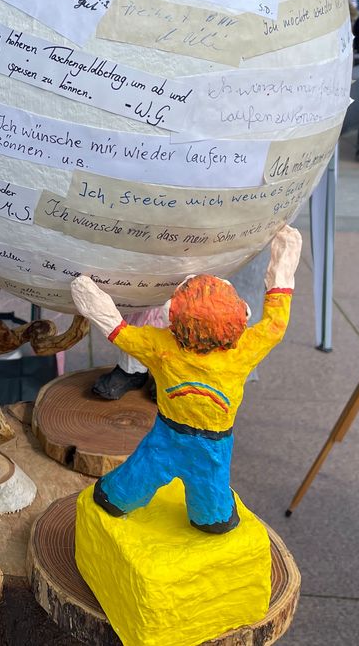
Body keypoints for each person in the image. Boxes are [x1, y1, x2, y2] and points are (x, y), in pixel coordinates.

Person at [71, 225, 302, 533]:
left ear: (175, 316)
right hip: (213, 444)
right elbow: (276, 325)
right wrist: (282, 267)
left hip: (166, 435)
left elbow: (121, 334)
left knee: (139, 473)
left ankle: (117, 497)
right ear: (238, 315)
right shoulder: (243, 350)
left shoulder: (163, 346)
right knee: (211, 494)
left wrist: (96, 306)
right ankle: (211, 518)